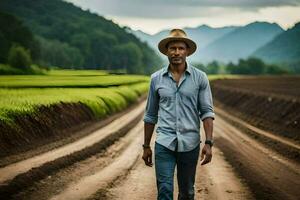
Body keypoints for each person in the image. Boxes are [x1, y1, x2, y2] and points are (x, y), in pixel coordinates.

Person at [142, 29, 215, 200]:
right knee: (165, 190)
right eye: (172, 48)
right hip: (164, 143)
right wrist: (146, 146)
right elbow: (150, 115)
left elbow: (207, 112)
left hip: (190, 144)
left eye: (180, 48)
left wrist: (209, 143)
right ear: (166, 51)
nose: (176, 52)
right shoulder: (156, 79)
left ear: (187, 51)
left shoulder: (200, 78)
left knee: (187, 192)